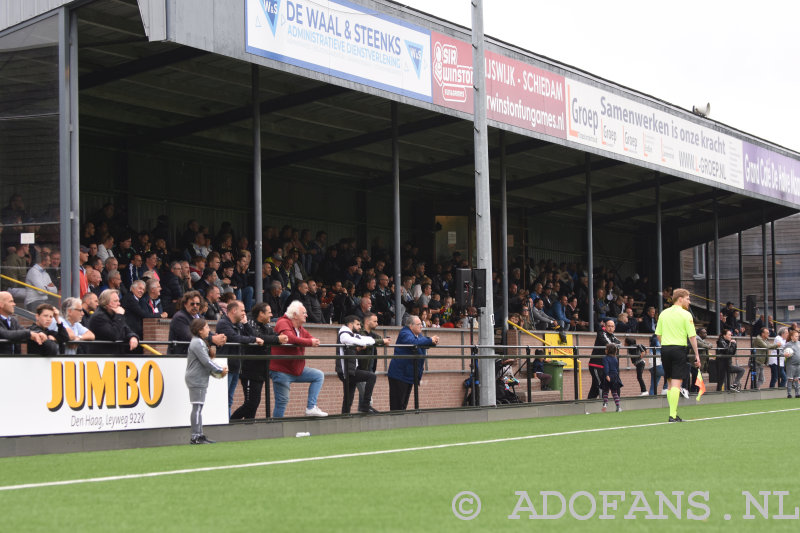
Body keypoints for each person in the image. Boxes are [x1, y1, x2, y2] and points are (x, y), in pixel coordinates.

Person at [231, 302, 288, 420]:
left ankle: (248, 426)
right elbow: (258, 337)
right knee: (250, 403)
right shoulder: (249, 322)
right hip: (249, 370)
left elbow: (272, 336)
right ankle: (231, 422)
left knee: (255, 403)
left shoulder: (266, 326)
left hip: (261, 370)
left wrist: (281, 338)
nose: (271, 315)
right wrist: (277, 339)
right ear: (261, 313)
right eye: (269, 312)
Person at [270, 301, 326, 418]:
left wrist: (312, 340)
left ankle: (311, 408)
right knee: (282, 402)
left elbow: (310, 337)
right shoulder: (283, 322)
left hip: (296, 369)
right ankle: (276, 427)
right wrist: (309, 342)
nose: (306, 315)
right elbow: (289, 338)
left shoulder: (299, 328)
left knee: (318, 375)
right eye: (304, 313)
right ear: (295, 315)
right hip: (282, 370)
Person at [655, 288, 700, 422]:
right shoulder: (686, 315)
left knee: (670, 383)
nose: (689, 301)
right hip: (679, 349)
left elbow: (658, 334)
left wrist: (666, 345)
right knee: (676, 383)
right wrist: (697, 355)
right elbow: (692, 336)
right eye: (688, 298)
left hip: (665, 349)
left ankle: (673, 413)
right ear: (680, 299)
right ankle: (672, 415)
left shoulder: (663, 313)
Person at [215, 300, 263, 416]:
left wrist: (246, 324)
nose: (244, 313)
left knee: (230, 399)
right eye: (242, 310)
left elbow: (253, 336)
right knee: (224, 398)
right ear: (233, 310)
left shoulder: (239, 324)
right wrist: (253, 340)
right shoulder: (223, 324)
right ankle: (223, 423)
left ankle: (227, 422)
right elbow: (235, 338)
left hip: (236, 367)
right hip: (226, 367)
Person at [185, 318, 228, 444]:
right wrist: (220, 370)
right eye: (206, 327)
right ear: (200, 330)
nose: (209, 330)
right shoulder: (197, 342)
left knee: (198, 407)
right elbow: (206, 362)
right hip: (196, 378)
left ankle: (199, 434)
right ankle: (196, 436)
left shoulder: (199, 342)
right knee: (197, 407)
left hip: (199, 378)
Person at [387, 314, 439, 411]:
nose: (421, 326)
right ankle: (395, 425)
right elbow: (413, 342)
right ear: (411, 326)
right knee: (397, 405)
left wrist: (432, 342)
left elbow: (421, 342)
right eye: (419, 324)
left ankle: (401, 424)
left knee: (403, 405)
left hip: (409, 375)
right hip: (399, 375)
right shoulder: (405, 332)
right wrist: (429, 340)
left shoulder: (418, 334)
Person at [336, 315, 379, 414]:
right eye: (358, 324)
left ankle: (345, 416)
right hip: (346, 371)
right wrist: (361, 343)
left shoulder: (350, 333)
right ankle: (365, 406)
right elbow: (354, 340)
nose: (360, 327)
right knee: (371, 377)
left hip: (349, 370)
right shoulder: (344, 334)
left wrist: (370, 341)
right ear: (351, 324)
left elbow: (364, 338)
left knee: (348, 398)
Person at [86, 289, 140, 354]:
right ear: (106, 303)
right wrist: (119, 316)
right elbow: (114, 335)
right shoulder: (98, 317)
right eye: (115, 301)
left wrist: (133, 337)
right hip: (102, 358)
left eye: (118, 301)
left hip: (116, 356)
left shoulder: (114, 314)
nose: (119, 304)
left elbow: (126, 330)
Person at [588, 318, 619, 399]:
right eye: (609, 326)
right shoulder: (602, 333)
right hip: (596, 364)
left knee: (595, 388)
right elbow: (609, 344)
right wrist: (615, 345)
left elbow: (619, 343)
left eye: (612, 326)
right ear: (605, 326)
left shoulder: (612, 336)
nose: (610, 328)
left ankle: (588, 406)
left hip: (604, 365)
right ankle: (604, 404)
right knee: (601, 384)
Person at [601, 344, 623, 412]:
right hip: (615, 376)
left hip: (608, 375)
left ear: (608, 350)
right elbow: (616, 368)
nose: (605, 350)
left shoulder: (605, 358)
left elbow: (606, 367)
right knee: (614, 392)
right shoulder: (615, 358)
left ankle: (605, 403)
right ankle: (618, 406)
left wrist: (607, 375)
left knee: (605, 391)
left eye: (606, 349)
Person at [783, 328, 800, 398]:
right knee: (790, 379)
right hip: (791, 364)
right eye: (796, 336)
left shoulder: (799, 343)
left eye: (798, 336)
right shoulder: (788, 344)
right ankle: (789, 394)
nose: (797, 337)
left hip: (798, 364)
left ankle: (797, 393)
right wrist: (785, 354)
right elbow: (782, 352)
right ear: (792, 337)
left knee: (797, 379)